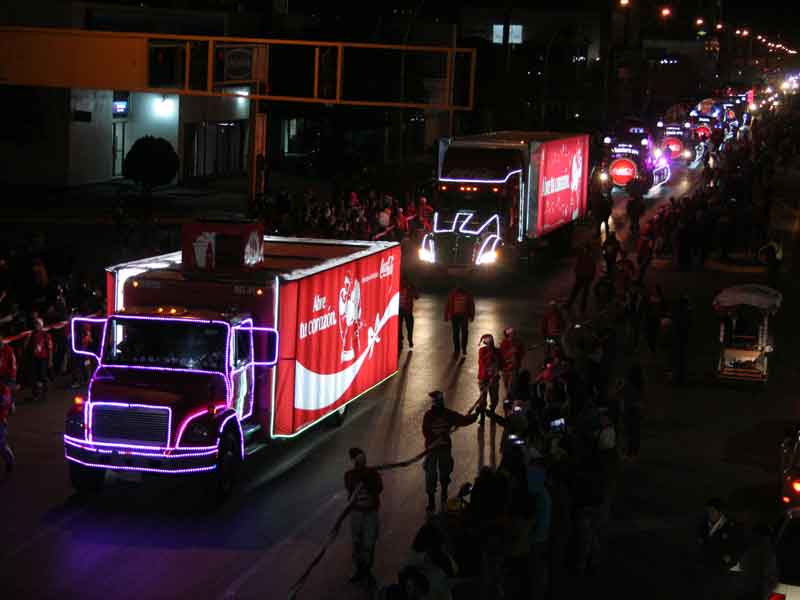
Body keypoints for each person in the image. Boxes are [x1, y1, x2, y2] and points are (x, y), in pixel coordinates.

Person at [422, 390, 478, 512]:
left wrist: (474, 416)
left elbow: (463, 420)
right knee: (431, 474)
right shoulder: (433, 415)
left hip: (442, 449)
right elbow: (425, 431)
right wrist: (436, 438)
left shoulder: (445, 415)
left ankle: (443, 495)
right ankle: (432, 500)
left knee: (444, 472)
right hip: (433, 449)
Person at [344, 447, 383, 586]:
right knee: (357, 543)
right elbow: (349, 485)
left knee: (369, 544)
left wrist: (367, 478)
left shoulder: (373, 474)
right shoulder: (349, 475)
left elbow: (378, 488)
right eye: (359, 458)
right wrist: (362, 476)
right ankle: (360, 569)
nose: (362, 460)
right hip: (357, 514)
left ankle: (367, 570)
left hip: (370, 514)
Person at [696, 498, 746, 600]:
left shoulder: (731, 526)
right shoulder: (704, 527)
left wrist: (731, 558)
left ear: (720, 512)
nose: (710, 514)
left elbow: (739, 547)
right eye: (708, 511)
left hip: (727, 572)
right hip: (709, 570)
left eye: (712, 511)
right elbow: (701, 546)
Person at [477, 334, 502, 426]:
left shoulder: (498, 351)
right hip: (484, 379)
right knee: (483, 399)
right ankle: (482, 417)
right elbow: (482, 363)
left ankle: (492, 413)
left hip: (494, 379)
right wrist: (490, 354)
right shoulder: (482, 351)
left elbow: (500, 363)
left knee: (494, 398)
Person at [444, 285, 475, 358]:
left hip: (464, 316)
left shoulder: (467, 295)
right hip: (455, 316)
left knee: (464, 333)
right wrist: (446, 315)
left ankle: (463, 348)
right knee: (456, 334)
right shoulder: (452, 294)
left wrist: (471, 315)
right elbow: (448, 305)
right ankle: (457, 350)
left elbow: (471, 305)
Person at [27, 318, 53, 401]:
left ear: (41, 325)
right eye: (35, 324)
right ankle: (35, 394)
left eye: (38, 324)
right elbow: (28, 347)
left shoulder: (45, 335)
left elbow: (50, 348)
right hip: (34, 359)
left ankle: (44, 394)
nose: (36, 326)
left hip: (43, 359)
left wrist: (50, 361)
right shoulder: (32, 335)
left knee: (42, 376)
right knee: (34, 377)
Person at [622, 363, 644, 459]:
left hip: (630, 411)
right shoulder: (639, 384)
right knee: (635, 433)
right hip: (636, 412)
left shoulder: (629, 385)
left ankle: (630, 453)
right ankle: (634, 452)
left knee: (631, 433)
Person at [566, 244, 596, 315]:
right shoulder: (583, 256)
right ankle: (570, 304)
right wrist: (577, 273)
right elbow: (578, 265)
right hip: (581, 276)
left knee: (583, 293)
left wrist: (590, 277)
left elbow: (592, 269)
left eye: (585, 249)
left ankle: (581, 307)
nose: (584, 250)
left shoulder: (589, 257)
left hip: (585, 277)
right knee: (576, 291)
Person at [500, 327, 526, 394]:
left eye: (514, 333)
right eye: (512, 334)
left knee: (512, 384)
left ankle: (510, 395)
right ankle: (508, 394)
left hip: (514, 367)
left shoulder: (518, 342)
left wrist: (517, 355)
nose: (514, 335)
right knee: (506, 382)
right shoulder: (504, 343)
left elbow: (522, 352)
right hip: (505, 367)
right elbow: (502, 354)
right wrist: (510, 353)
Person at [399, 277, 420, 351]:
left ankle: (409, 339)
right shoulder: (397, 287)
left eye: (404, 281)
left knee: (409, 326)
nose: (403, 283)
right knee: (398, 327)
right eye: (402, 281)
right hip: (399, 310)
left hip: (407, 310)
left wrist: (413, 288)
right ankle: (400, 341)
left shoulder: (410, 288)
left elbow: (417, 296)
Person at [0, 382, 14, 476]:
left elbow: (7, 403)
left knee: (1, 444)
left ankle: (9, 461)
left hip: (0, 420)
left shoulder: (3, 388)